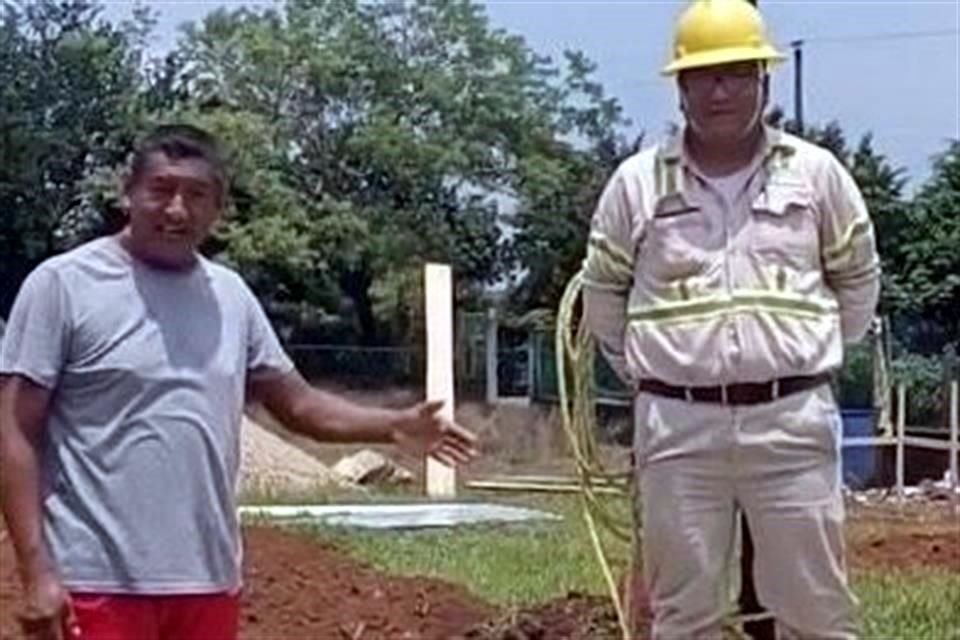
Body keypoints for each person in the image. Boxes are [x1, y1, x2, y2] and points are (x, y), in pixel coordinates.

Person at [0, 124, 478, 640]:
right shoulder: (63, 286)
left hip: (207, 581)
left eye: (197, 195)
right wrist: (36, 571)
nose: (177, 209)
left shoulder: (230, 297)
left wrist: (394, 425)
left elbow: (299, 405)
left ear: (217, 208)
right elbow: (14, 430)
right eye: (161, 190)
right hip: (93, 582)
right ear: (128, 192)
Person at [581, 0, 880, 637]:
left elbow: (857, 280)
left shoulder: (815, 175)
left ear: (763, 81)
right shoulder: (637, 185)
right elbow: (604, 297)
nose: (721, 90)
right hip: (677, 428)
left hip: (792, 425)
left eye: (738, 73)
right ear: (681, 85)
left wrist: (808, 360)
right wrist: (650, 375)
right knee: (682, 614)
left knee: (817, 611)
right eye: (706, 76)